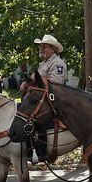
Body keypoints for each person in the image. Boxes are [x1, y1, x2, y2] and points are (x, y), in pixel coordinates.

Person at [24, 34, 68, 164]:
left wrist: (34, 78)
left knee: (40, 120)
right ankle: (28, 150)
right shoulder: (43, 64)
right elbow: (39, 82)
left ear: (53, 49)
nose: (41, 49)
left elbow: (55, 82)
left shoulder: (58, 63)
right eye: (41, 47)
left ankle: (40, 153)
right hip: (42, 98)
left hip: (53, 99)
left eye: (44, 47)